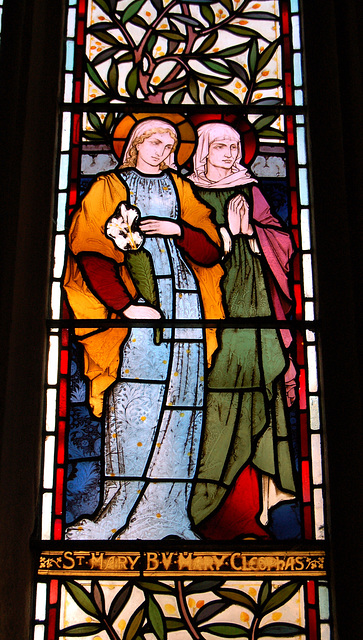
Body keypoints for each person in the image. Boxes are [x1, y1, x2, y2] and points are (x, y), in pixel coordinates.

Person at [63, 117, 224, 540]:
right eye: (154, 141)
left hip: (185, 303)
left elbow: (210, 250)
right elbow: (90, 250)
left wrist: (178, 230)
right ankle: (117, 513)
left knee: (182, 403)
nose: (162, 150)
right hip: (138, 311)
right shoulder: (109, 186)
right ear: (135, 143)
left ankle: (166, 515)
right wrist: (124, 306)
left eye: (169, 143)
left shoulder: (180, 188)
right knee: (136, 406)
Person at [188, 122, 297, 539]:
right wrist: (226, 239)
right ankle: (201, 509)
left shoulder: (249, 190)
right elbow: (183, 247)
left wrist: (252, 234)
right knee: (213, 398)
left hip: (255, 302)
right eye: (220, 146)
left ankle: (252, 513)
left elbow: (282, 244)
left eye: (234, 146)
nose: (230, 154)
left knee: (260, 398)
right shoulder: (187, 191)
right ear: (202, 150)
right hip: (211, 302)